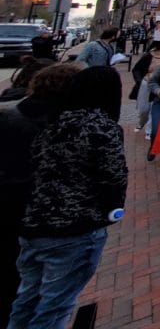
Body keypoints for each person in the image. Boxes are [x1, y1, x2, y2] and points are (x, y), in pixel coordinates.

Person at [7, 66, 127, 329]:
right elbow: (113, 177)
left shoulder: (51, 122)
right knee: (55, 305)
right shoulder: (98, 127)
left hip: (33, 223)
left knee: (27, 298)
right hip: (75, 228)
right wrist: (112, 209)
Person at [0, 63, 79, 326]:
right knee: (50, 298)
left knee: (30, 290)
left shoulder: (12, 114)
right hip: (44, 218)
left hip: (30, 216)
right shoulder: (65, 125)